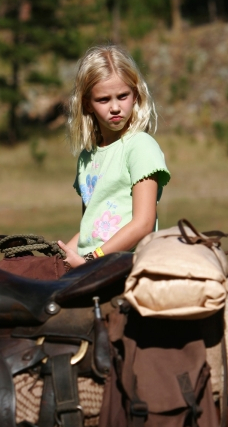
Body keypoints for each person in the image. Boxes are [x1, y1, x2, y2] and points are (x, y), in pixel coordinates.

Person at [58, 44, 170, 270]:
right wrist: (60, 258)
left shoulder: (140, 146)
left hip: (124, 265)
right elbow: (90, 225)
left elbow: (143, 223)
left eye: (122, 96)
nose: (115, 107)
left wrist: (90, 260)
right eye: (103, 100)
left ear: (135, 95)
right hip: (92, 262)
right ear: (87, 103)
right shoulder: (87, 157)